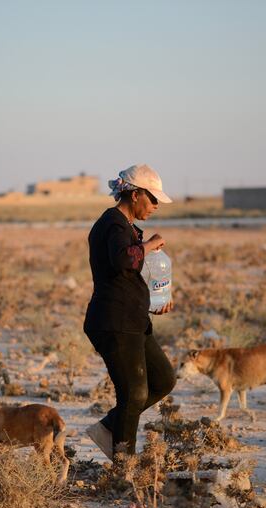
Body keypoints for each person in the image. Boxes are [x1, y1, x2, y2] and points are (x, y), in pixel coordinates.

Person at [83, 163, 177, 460]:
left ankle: (110, 427)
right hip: (114, 322)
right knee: (133, 394)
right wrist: (148, 245)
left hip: (133, 320)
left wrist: (154, 302)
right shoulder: (113, 223)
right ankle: (124, 467)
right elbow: (125, 259)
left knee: (163, 380)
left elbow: (128, 274)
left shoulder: (126, 228)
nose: (156, 206)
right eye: (153, 199)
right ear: (134, 194)